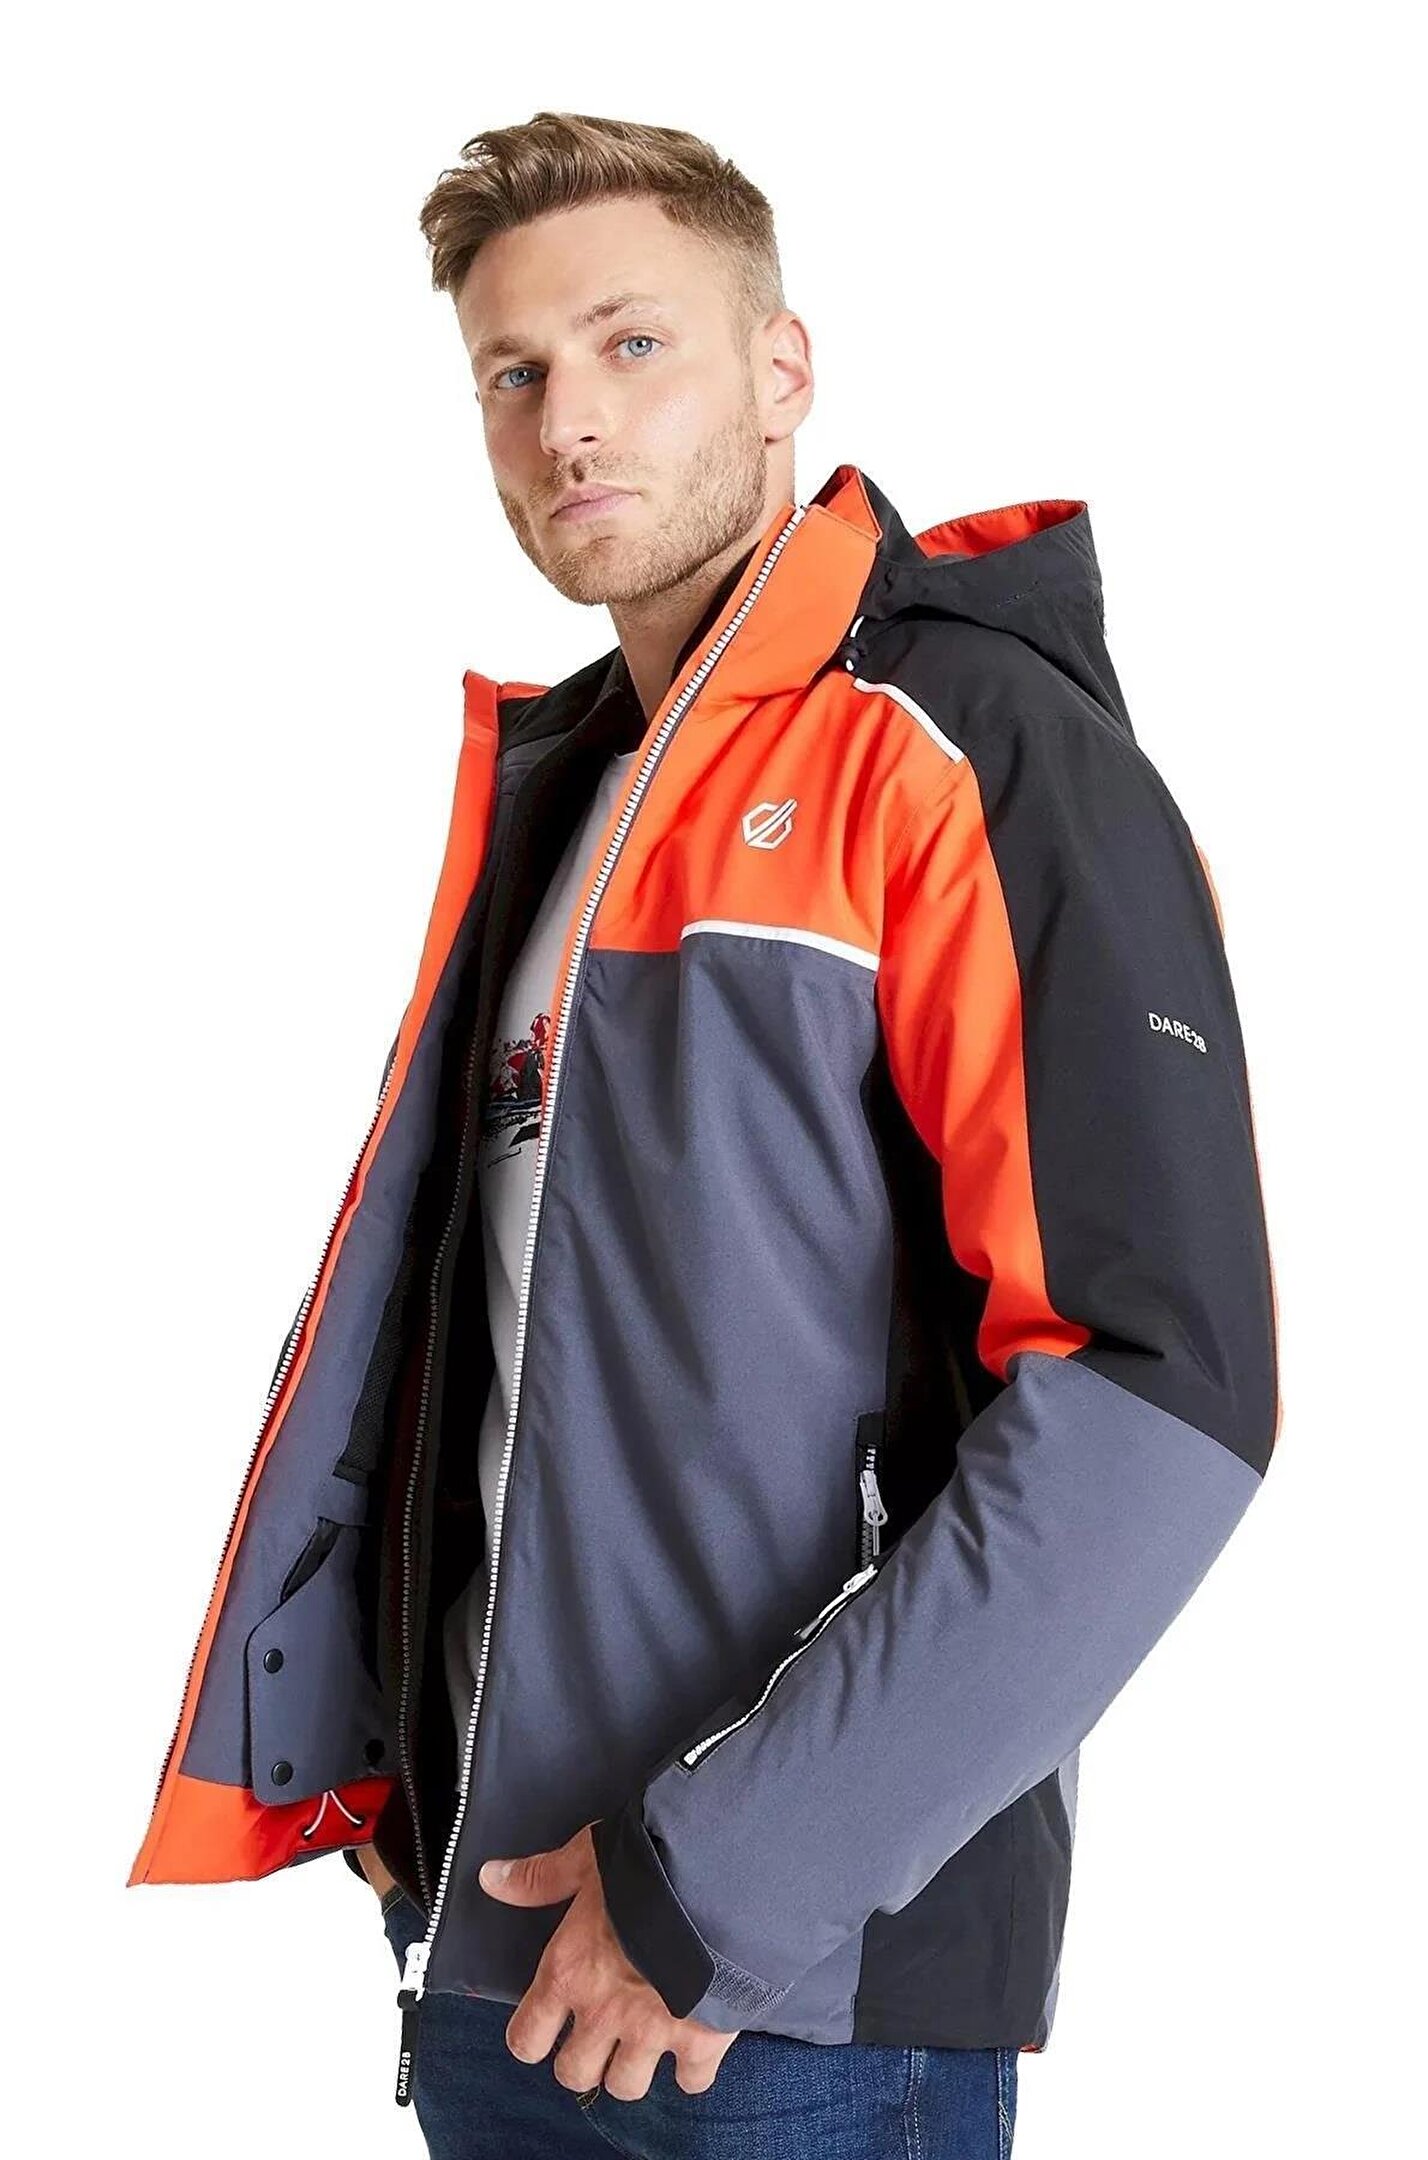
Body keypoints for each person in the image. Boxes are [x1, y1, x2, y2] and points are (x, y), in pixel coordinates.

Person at [129, 108, 1280, 2160]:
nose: (566, 418)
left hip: (779, 1999)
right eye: (512, 372)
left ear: (781, 369)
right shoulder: (569, 795)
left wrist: (714, 1890)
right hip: (489, 1953)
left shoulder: (966, 746)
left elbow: (1157, 1397)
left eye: (631, 343)